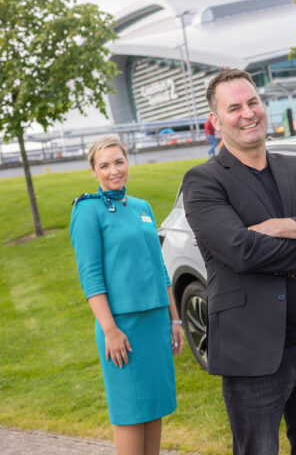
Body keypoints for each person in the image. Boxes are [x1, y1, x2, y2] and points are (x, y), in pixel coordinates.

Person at [181, 68, 296, 455]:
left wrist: (282, 226)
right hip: (252, 354)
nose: (248, 113)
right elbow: (242, 251)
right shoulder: (203, 181)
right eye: (234, 108)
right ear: (215, 120)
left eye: (253, 102)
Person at [70, 136, 185, 455]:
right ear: (93, 171)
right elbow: (91, 277)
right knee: (130, 414)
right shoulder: (87, 211)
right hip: (122, 328)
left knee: (155, 408)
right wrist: (110, 330)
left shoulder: (141, 207)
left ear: (127, 161)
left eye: (119, 161)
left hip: (155, 323)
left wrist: (174, 319)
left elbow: (160, 266)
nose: (114, 170)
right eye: (104, 165)